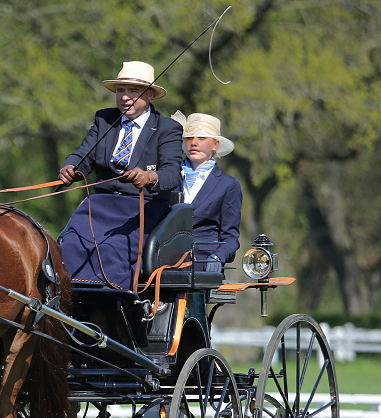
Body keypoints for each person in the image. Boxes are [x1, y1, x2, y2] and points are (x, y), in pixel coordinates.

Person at [57, 61, 183, 289]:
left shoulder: (167, 128)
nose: (125, 97)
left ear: (150, 94)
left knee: (109, 248)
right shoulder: (104, 119)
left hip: (141, 207)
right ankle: (67, 302)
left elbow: (173, 173)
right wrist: (70, 168)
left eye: (133, 91)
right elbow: (83, 155)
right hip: (99, 204)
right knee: (70, 244)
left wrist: (149, 177)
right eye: (120, 91)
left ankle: (116, 309)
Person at [172, 112, 242, 273]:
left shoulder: (229, 185)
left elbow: (230, 237)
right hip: (164, 268)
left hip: (203, 269)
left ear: (215, 145)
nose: (194, 143)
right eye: (189, 138)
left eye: (201, 138)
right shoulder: (170, 177)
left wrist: (218, 257)